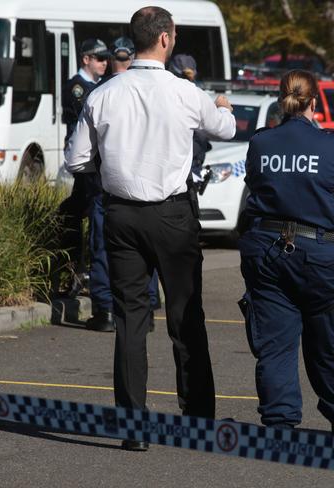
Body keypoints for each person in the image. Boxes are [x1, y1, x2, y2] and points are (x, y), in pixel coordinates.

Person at [64, 6, 236, 451]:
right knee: (185, 315)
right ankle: (197, 420)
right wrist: (221, 105)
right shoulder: (184, 91)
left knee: (130, 321)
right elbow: (227, 126)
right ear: (165, 39)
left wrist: (108, 168)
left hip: (121, 212)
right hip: (172, 214)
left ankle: (133, 428)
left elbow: (75, 159)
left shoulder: (103, 93)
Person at [238, 69, 334, 436]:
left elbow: (255, 184)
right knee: (326, 340)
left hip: (268, 252)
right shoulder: (333, 144)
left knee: (275, 341)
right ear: (314, 102)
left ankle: (280, 419)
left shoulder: (261, 143)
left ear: (280, 100)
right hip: (321, 255)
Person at [84, 36, 161, 332]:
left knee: (104, 249)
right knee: (148, 253)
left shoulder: (102, 93)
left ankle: (105, 310)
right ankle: (147, 309)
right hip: (150, 188)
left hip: (110, 187)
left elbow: (78, 155)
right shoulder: (160, 91)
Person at [56, 39, 109, 295]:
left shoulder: (99, 87)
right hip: (83, 164)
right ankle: (78, 271)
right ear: (85, 59)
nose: (104, 63)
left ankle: (82, 271)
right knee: (82, 215)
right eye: (99, 58)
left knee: (87, 215)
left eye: (106, 58)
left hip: (94, 163)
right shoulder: (78, 87)